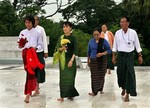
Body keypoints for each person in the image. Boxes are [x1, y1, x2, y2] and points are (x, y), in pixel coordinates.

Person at [112, 16, 143, 102]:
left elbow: (137, 45)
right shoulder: (117, 33)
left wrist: (140, 55)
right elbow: (115, 45)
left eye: (124, 22)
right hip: (121, 55)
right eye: (121, 22)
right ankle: (123, 88)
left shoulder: (133, 33)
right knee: (120, 73)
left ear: (128, 23)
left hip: (129, 55)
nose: (122, 23)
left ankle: (128, 94)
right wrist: (113, 56)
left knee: (129, 73)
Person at [18, 15, 43, 103]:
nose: (27, 24)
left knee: (30, 73)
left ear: (33, 22)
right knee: (30, 73)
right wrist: (21, 45)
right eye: (26, 22)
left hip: (33, 54)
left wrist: (35, 48)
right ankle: (33, 87)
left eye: (29, 22)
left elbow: (40, 45)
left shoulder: (37, 33)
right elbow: (19, 46)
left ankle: (27, 94)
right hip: (25, 54)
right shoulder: (22, 32)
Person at [53, 22, 79, 102]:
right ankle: (62, 96)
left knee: (71, 78)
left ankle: (70, 94)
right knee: (63, 79)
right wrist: (62, 48)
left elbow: (76, 50)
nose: (65, 28)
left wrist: (71, 60)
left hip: (71, 60)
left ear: (70, 28)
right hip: (63, 60)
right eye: (64, 27)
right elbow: (57, 49)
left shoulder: (73, 38)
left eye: (67, 27)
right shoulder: (61, 38)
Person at [87, 28, 111, 96]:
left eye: (97, 34)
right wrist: (88, 60)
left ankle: (100, 88)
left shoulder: (104, 41)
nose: (96, 36)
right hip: (93, 60)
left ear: (100, 34)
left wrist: (102, 53)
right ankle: (94, 91)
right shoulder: (91, 41)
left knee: (101, 75)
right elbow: (88, 52)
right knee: (94, 76)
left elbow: (109, 50)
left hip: (102, 60)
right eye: (94, 35)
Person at [32, 16, 48, 96]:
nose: (34, 22)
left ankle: (37, 86)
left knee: (40, 68)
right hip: (31, 53)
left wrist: (46, 51)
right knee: (33, 69)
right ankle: (36, 88)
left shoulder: (41, 29)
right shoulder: (29, 29)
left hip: (39, 52)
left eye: (35, 20)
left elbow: (44, 40)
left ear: (38, 21)